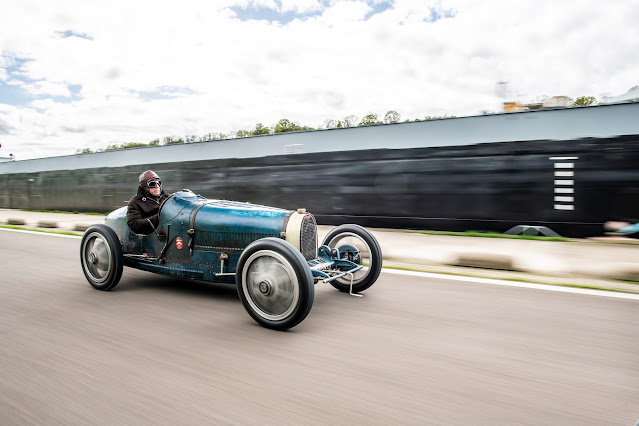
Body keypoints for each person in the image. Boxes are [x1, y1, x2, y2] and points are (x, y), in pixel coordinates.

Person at [127, 170, 169, 234]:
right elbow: (134, 224)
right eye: (153, 184)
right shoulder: (135, 202)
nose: (157, 186)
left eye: (159, 183)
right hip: (154, 235)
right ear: (145, 187)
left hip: (171, 229)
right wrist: (159, 217)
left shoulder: (167, 197)